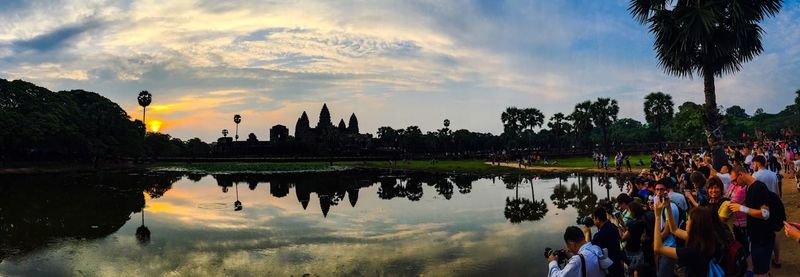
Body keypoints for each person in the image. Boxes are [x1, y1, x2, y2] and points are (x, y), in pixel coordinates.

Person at [655, 197, 724, 277]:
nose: (686, 222)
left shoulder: (692, 252)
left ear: (695, 225)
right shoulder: (707, 239)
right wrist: (668, 207)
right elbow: (674, 230)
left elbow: (658, 248)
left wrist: (657, 217)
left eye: (689, 220)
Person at [728, 165, 773, 277]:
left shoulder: (759, 187)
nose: (734, 184)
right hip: (756, 237)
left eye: (734, 180)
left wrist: (741, 208)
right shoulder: (748, 187)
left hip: (763, 238)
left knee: (760, 273)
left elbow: (765, 214)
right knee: (761, 269)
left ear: (741, 175)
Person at [548, 226, 614, 277]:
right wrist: (571, 257)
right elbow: (586, 261)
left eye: (568, 246)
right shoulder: (596, 249)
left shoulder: (577, 261)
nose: (569, 249)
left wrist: (552, 262)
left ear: (572, 243)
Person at [582, 207, 624, 277]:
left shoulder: (599, 236)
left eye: (594, 218)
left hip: (609, 270)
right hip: (618, 265)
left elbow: (587, 252)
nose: (593, 221)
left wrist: (587, 233)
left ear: (598, 219)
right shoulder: (613, 227)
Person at [621, 202, 646, 275]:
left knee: (633, 271)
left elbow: (622, 238)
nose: (628, 213)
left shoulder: (635, 224)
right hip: (640, 251)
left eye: (629, 211)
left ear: (633, 211)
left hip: (633, 253)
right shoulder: (642, 220)